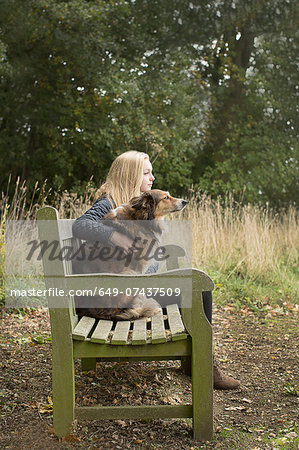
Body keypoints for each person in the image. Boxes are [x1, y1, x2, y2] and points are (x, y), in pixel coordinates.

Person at [72, 150, 240, 390]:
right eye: (146, 172)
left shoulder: (136, 206)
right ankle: (204, 366)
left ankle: (198, 360)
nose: (152, 177)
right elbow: (80, 225)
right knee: (197, 290)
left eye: (151, 172)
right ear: (130, 175)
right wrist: (114, 237)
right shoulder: (108, 202)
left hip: (125, 287)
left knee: (194, 289)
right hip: (113, 295)